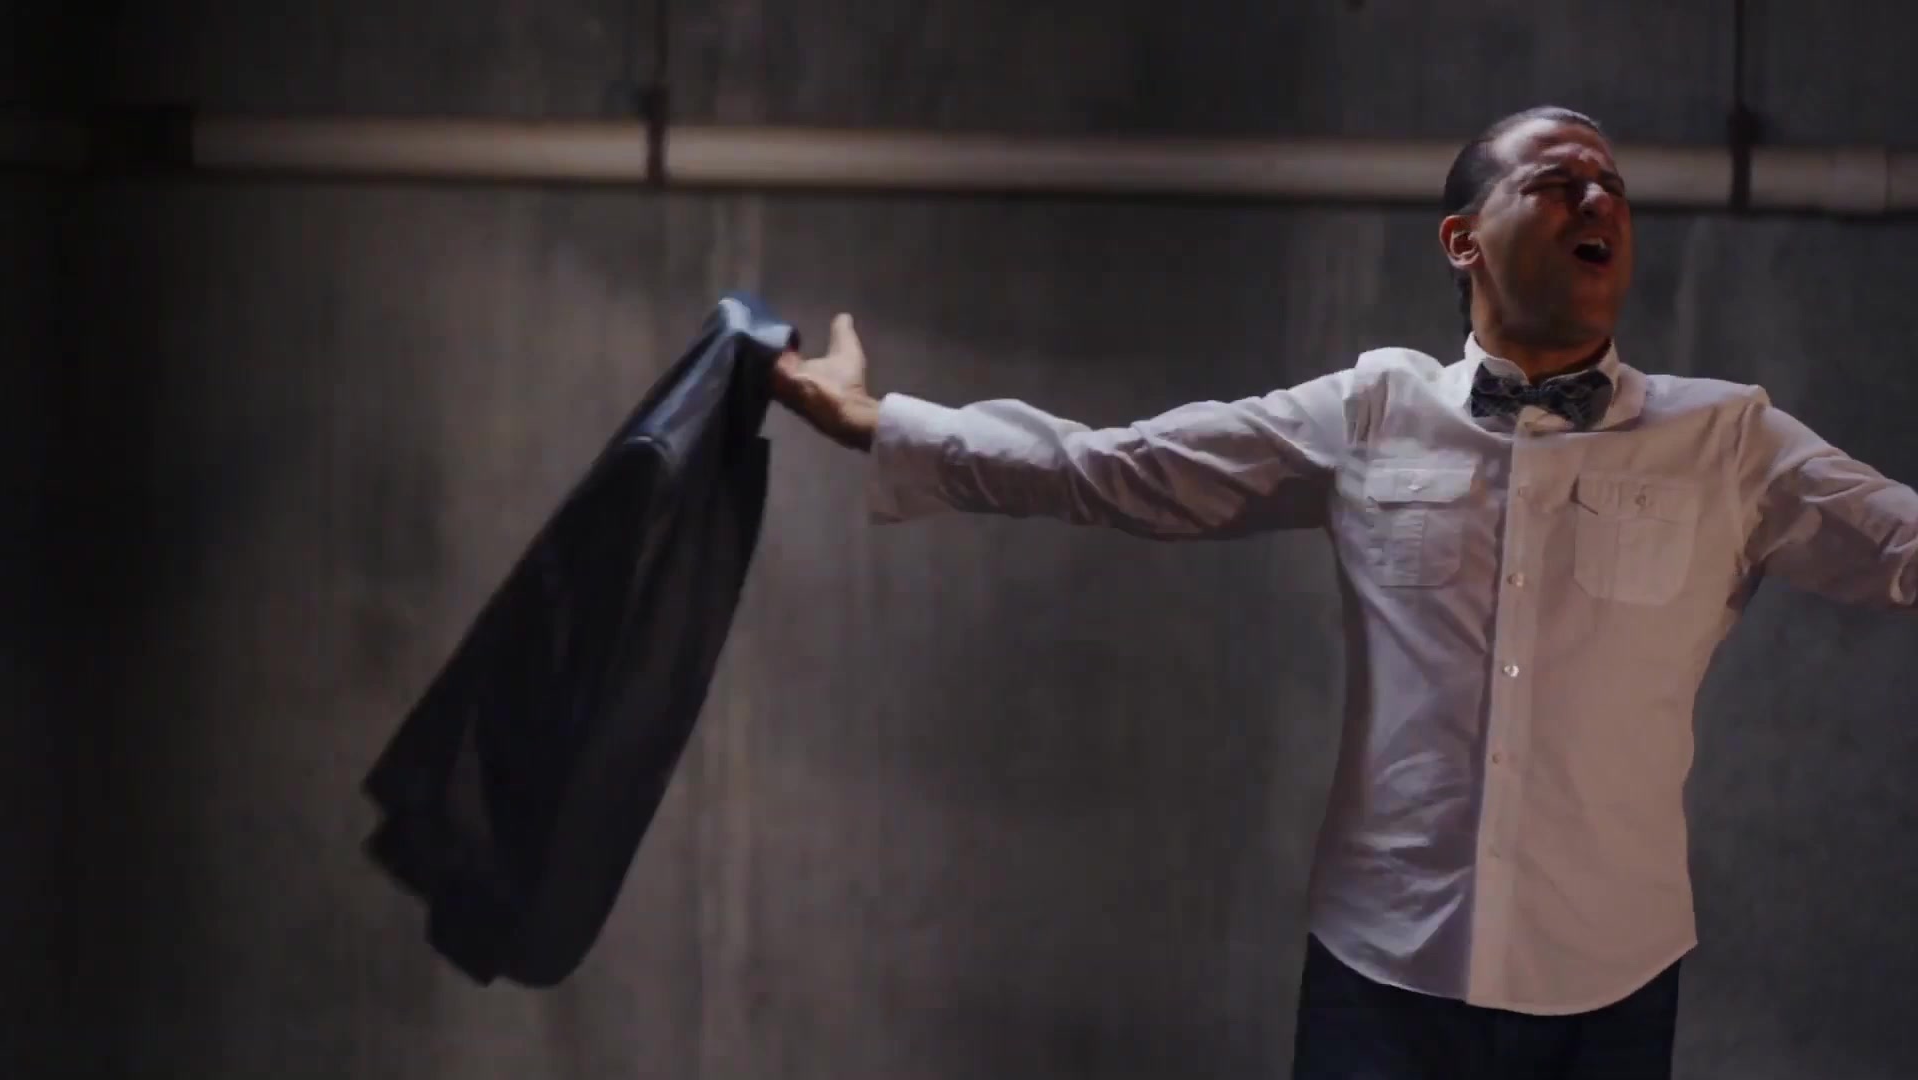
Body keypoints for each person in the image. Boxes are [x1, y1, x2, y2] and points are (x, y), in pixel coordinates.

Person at [767, 106, 1918, 1079]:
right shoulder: (1370, 411)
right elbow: (1114, 469)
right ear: (1463, 240)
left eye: (1612, 187)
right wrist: (876, 424)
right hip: (1382, 976)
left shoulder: (1727, 440)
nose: (1598, 201)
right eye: (1558, 181)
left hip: (1610, 984)